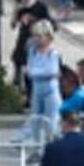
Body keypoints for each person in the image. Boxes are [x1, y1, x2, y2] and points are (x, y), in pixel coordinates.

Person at [26, 20, 62, 149]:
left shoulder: (53, 53)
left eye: (40, 36)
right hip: (37, 89)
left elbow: (52, 71)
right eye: (35, 36)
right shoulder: (33, 51)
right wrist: (36, 72)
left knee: (51, 122)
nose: (37, 39)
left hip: (50, 90)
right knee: (35, 120)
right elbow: (29, 70)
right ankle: (36, 148)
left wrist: (35, 72)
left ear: (48, 36)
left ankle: (51, 147)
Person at [10, 0, 52, 91]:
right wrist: (16, 10)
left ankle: (29, 87)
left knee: (31, 64)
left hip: (36, 39)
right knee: (18, 60)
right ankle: (18, 83)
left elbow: (48, 23)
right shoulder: (21, 8)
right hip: (23, 38)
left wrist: (33, 20)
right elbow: (13, 25)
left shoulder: (40, 6)